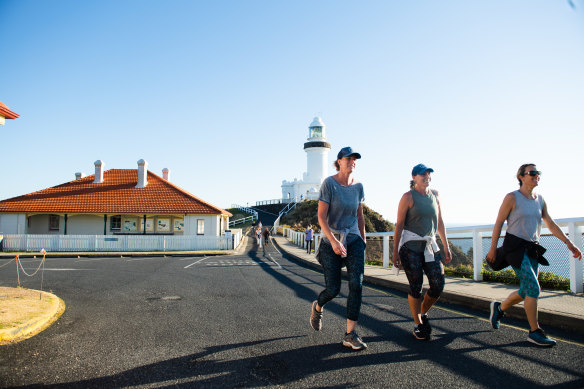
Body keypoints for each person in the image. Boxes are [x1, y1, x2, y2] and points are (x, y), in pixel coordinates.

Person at [486, 164, 582, 347]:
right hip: (514, 248)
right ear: (521, 177)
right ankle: (534, 332)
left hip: (532, 249)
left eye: (538, 173)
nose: (536, 175)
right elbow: (498, 223)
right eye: (532, 173)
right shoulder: (512, 197)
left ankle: (499, 308)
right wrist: (493, 248)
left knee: (526, 290)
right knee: (534, 288)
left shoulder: (540, 199)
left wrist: (569, 243)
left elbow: (550, 223)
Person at [309, 146, 368, 350]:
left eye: (355, 159)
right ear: (339, 161)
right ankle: (318, 307)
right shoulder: (329, 184)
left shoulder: (359, 186)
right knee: (333, 289)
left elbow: (360, 216)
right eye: (348, 158)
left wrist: (363, 240)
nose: (352, 161)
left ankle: (350, 334)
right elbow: (321, 217)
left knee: (356, 284)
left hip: (353, 239)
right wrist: (333, 241)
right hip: (330, 241)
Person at [392, 164, 452, 341]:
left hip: (430, 247)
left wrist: (446, 247)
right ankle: (418, 324)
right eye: (422, 174)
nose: (426, 176)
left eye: (428, 174)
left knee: (438, 284)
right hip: (410, 247)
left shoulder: (436, 195)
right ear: (414, 177)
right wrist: (395, 252)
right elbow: (399, 225)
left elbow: (439, 222)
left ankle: (423, 313)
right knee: (416, 285)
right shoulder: (408, 197)